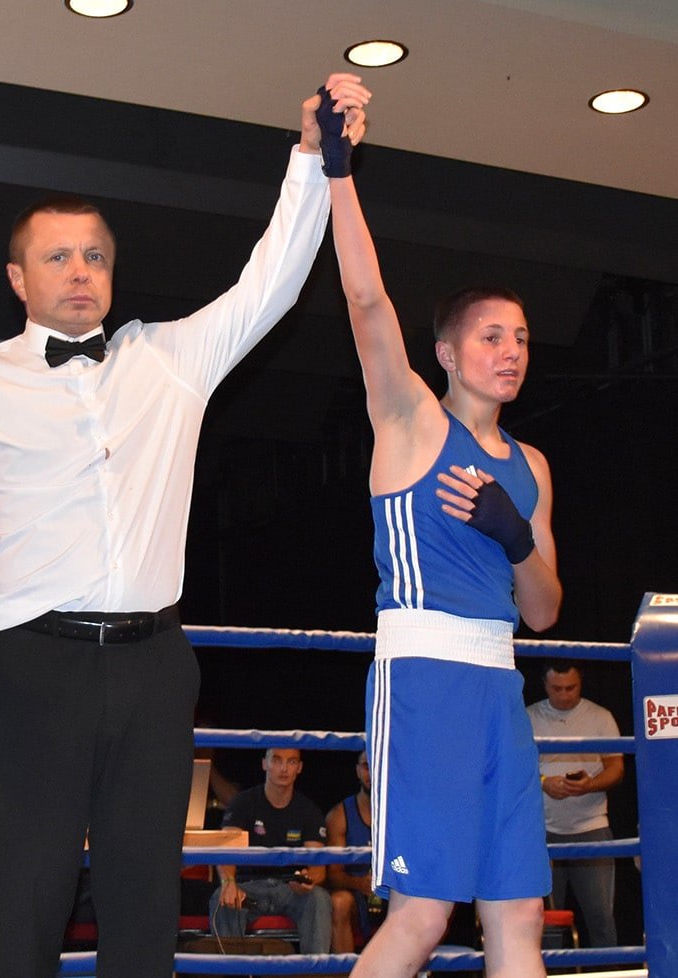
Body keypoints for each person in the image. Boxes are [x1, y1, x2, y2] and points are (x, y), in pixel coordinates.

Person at [0, 74, 370, 978]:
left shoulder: (170, 360)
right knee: (26, 907)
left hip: (152, 667)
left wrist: (310, 159)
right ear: (19, 278)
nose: (80, 271)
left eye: (93, 256)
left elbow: (273, 281)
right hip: (30, 667)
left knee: (143, 910)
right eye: (58, 257)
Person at [323, 90, 563, 978]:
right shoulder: (412, 422)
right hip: (424, 681)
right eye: (492, 337)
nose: (512, 351)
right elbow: (365, 300)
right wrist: (338, 172)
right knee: (422, 916)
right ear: (450, 354)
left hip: (500, 688)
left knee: (519, 916)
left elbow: (544, 611)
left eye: (522, 338)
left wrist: (515, 536)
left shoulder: (532, 466)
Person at [527, 661, 623, 947]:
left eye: (571, 688)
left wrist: (588, 785)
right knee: (546, 922)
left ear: (581, 683)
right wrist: (544, 781)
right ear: (545, 685)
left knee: (601, 918)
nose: (565, 695)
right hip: (543, 830)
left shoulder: (600, 716)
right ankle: (549, 970)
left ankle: (609, 970)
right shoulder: (528, 716)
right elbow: (511, 766)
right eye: (557, 688)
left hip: (591, 826)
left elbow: (616, 768)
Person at [210, 748, 330, 953]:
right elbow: (226, 849)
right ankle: (231, 968)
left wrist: (308, 880)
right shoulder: (243, 802)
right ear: (264, 764)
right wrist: (228, 882)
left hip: (290, 889)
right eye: (276, 760)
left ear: (299, 768)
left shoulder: (309, 810)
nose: (283, 768)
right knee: (223, 898)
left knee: (319, 898)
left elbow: (318, 867)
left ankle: (314, 969)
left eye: (291, 761)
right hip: (248, 887)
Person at [325, 752, 383, 952]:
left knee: (427, 898)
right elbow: (333, 874)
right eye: (366, 766)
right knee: (340, 902)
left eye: (378, 765)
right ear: (357, 770)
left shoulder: (403, 813)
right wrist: (360, 883)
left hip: (393, 893)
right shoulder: (339, 815)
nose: (372, 773)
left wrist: (391, 879)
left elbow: (412, 863)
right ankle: (346, 969)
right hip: (357, 897)